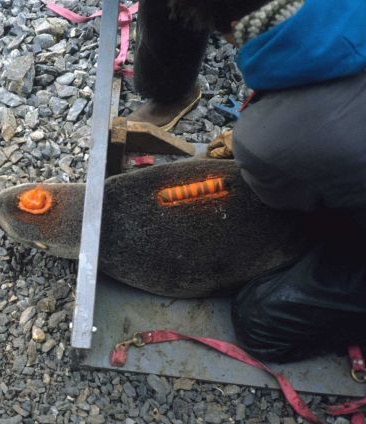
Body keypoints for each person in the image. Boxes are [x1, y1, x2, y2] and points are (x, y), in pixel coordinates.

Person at [130, 0, 366, 363]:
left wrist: (263, 148)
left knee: (261, 318)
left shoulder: (268, 139)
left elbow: (286, 204)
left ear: (236, 24)